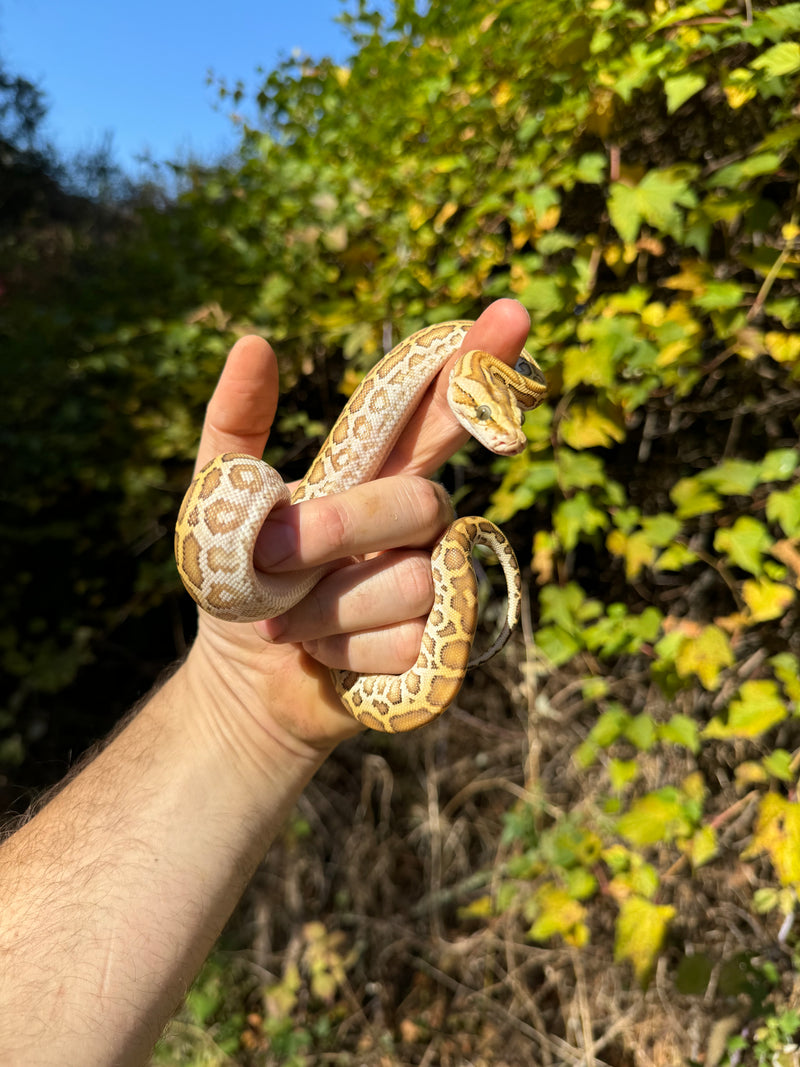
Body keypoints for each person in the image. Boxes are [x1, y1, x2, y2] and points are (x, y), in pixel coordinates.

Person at [0, 299, 532, 1066]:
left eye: (499, 428)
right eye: (493, 425)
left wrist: (236, 702)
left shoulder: (468, 365)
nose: (501, 442)